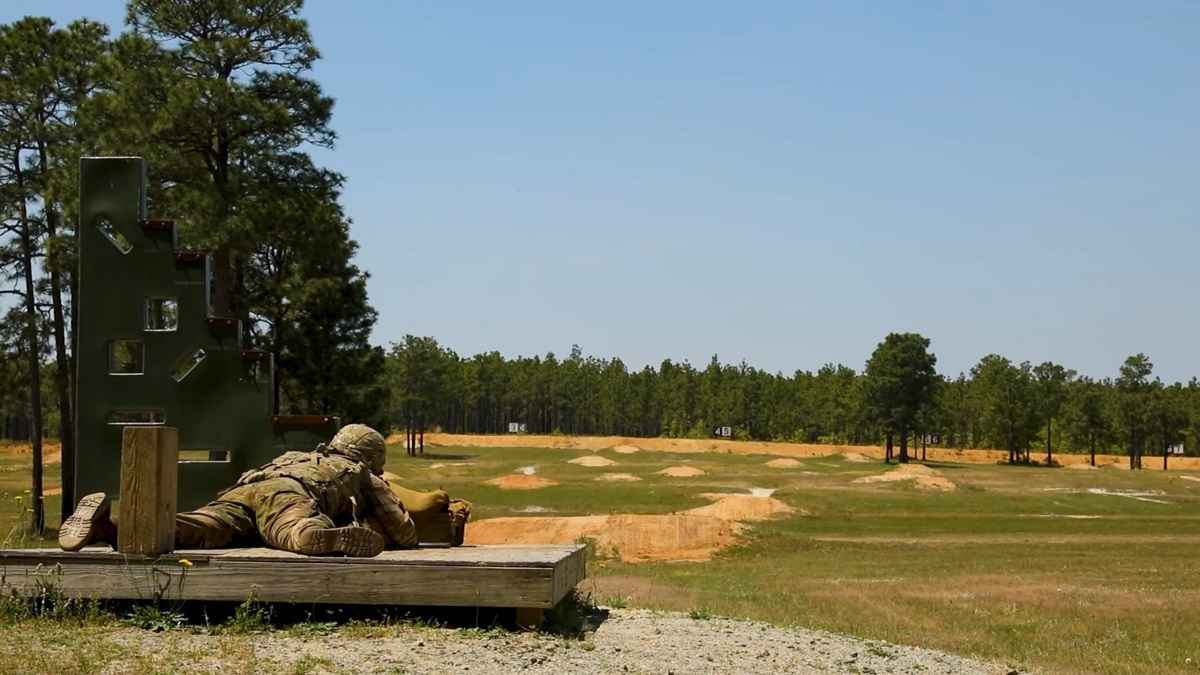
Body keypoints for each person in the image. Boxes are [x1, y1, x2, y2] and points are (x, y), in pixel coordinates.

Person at [58, 423, 419, 557]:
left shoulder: (299, 455)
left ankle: (110, 526)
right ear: (372, 457)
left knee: (201, 528)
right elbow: (403, 533)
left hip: (244, 490)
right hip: (288, 495)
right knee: (292, 528)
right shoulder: (360, 472)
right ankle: (315, 536)